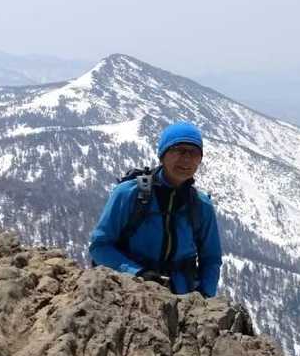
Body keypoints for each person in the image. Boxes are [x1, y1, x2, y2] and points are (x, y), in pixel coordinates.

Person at [89, 121, 222, 296]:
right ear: (162, 155)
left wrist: (205, 295)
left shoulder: (201, 205)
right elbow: (99, 246)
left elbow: (211, 259)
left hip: (181, 295)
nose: (187, 159)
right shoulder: (129, 194)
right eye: (179, 150)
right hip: (130, 290)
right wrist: (137, 273)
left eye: (194, 153)